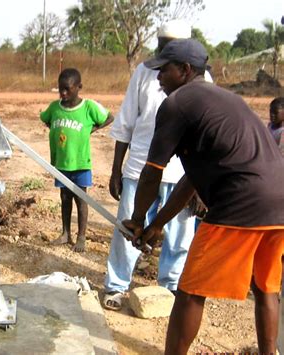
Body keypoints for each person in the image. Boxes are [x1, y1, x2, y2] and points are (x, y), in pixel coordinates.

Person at [121, 38, 284, 355]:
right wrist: (157, 225)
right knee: (266, 288)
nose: (158, 78)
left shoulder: (178, 104)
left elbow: (152, 171)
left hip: (240, 204)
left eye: (163, 71)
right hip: (280, 204)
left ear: (184, 70)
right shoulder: (225, 100)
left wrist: (138, 219)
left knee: (190, 291)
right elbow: (191, 180)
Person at [103, 20, 212, 310]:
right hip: (141, 166)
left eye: (172, 47)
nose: (164, 52)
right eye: (163, 44)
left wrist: (200, 186)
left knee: (179, 236)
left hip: (182, 174)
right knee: (128, 227)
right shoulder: (143, 71)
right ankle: (116, 285)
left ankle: (171, 287)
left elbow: (207, 140)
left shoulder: (204, 82)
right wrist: (117, 169)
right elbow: (126, 121)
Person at [40, 68, 113, 252]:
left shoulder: (88, 107)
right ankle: (66, 233)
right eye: (60, 89)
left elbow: (109, 117)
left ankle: (81, 237)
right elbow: (46, 118)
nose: (63, 93)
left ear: (79, 87)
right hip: (61, 163)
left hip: (80, 163)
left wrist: (93, 129)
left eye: (67, 89)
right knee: (64, 197)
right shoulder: (55, 107)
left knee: (81, 199)